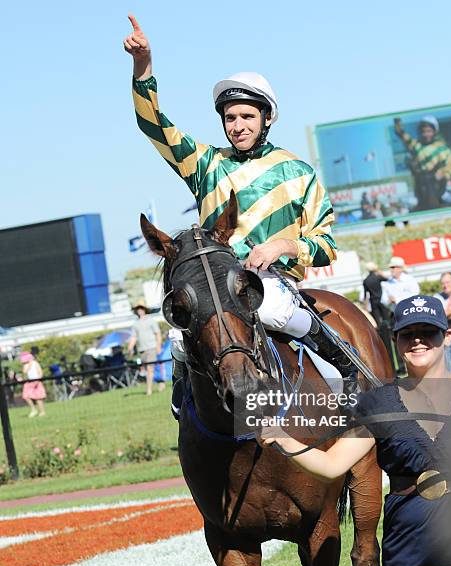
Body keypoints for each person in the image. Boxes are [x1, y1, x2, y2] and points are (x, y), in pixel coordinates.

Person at [123, 16, 356, 390]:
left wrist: (282, 245)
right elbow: (154, 125)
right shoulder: (204, 164)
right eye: (230, 118)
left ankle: (344, 366)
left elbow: (327, 247)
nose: (238, 125)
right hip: (214, 284)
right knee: (178, 336)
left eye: (248, 116)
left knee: (273, 309)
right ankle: (185, 401)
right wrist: (143, 64)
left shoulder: (296, 172)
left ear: (266, 119)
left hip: (271, 282)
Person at [261, 295, 451, 566]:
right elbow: (331, 464)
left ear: (447, 337)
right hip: (412, 553)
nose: (417, 340)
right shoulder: (379, 404)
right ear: (395, 341)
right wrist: (284, 439)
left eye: (428, 332)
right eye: (408, 333)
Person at [394, 115, 451, 211]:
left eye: (429, 131)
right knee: (413, 206)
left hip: (439, 184)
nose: (426, 134)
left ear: (435, 132)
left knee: (449, 199)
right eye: (423, 132)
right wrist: (397, 121)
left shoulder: (443, 149)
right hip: (421, 185)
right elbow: (401, 134)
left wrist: (443, 174)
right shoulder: (415, 145)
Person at [127, 300, 162, 396]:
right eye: (138, 309)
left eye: (141, 308)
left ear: (144, 309)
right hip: (142, 349)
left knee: (150, 369)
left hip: (152, 347)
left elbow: (157, 333)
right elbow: (134, 337)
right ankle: (160, 382)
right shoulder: (135, 324)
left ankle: (149, 390)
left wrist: (159, 346)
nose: (139, 310)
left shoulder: (151, 320)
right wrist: (130, 347)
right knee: (147, 369)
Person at [20, 351, 46, 417]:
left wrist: (38, 380)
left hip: (37, 381)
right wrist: (29, 365)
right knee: (26, 396)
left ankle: (42, 412)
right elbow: (25, 372)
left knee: (38, 398)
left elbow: (40, 372)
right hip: (29, 382)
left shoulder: (35, 363)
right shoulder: (25, 365)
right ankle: (33, 409)